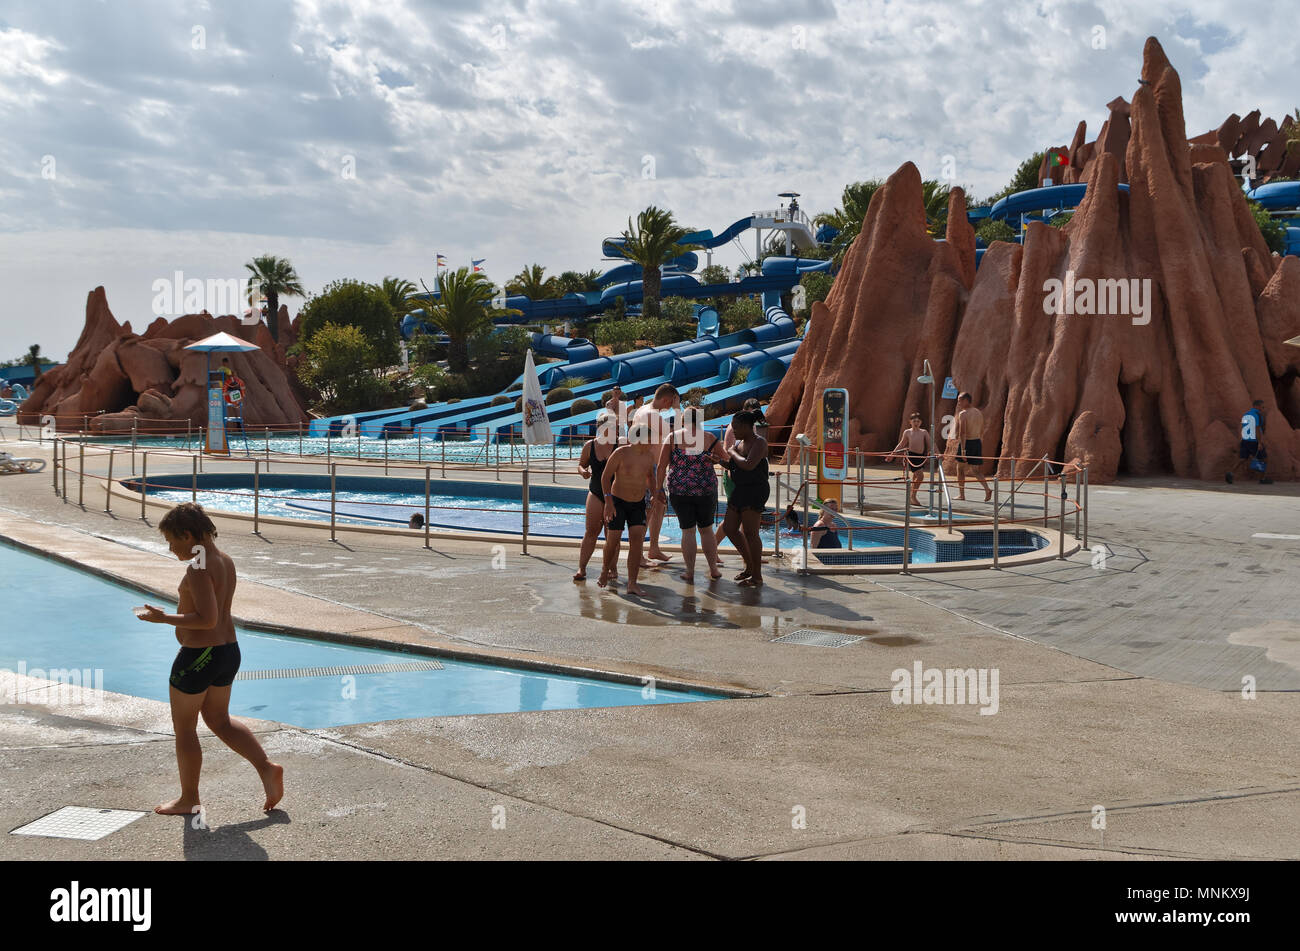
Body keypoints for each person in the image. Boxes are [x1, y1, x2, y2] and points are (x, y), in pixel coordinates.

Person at [135, 503, 284, 815]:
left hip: (199, 656)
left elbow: (206, 619)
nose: (170, 547)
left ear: (187, 535)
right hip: (228, 652)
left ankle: (189, 798)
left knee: (185, 728)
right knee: (218, 720)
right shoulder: (223, 560)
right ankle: (266, 768)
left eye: (171, 540)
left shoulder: (199, 566)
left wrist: (164, 619)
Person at [656, 405, 726, 584]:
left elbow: (661, 466)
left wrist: (658, 489)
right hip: (706, 490)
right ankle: (713, 569)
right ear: (699, 420)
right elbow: (726, 460)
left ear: (682, 420)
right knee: (707, 530)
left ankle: (689, 571)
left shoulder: (673, 438)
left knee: (687, 531)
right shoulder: (710, 438)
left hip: (680, 491)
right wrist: (715, 460)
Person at [598, 422, 658, 596]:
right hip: (617, 502)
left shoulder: (649, 456)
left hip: (637, 502)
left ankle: (632, 583)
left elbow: (650, 477)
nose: (653, 441)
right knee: (613, 540)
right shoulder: (620, 453)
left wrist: (654, 494)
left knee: (637, 541)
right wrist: (608, 502)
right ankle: (604, 570)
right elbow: (605, 477)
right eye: (650, 438)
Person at [631, 383, 680, 563]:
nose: (671, 406)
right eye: (672, 402)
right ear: (667, 400)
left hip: (654, 467)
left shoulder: (643, 410)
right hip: (649, 469)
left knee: (659, 507)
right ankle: (638, 554)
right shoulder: (652, 415)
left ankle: (653, 548)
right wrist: (678, 409)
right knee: (648, 510)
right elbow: (678, 436)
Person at [721, 410, 769, 587]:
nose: (733, 430)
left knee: (751, 533)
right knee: (729, 528)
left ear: (748, 427)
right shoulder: (740, 442)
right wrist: (720, 462)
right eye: (732, 427)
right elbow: (736, 466)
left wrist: (732, 452)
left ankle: (757, 575)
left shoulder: (759, 442)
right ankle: (749, 565)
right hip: (740, 489)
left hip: (755, 490)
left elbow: (749, 465)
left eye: (736, 427)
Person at [714, 399, 765, 555]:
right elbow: (731, 454)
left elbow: (748, 462)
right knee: (731, 525)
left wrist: (732, 454)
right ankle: (714, 547)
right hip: (737, 482)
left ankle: (750, 560)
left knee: (749, 530)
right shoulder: (737, 434)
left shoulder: (757, 438)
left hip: (751, 487)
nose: (733, 429)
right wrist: (725, 464)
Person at [574, 410, 620, 582]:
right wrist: (583, 472)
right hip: (595, 491)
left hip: (616, 494)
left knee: (612, 533)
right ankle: (582, 567)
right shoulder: (590, 446)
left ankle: (612, 569)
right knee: (591, 531)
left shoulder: (620, 445)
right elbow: (580, 465)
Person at [886, 412, 932, 507]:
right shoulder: (907, 432)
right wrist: (892, 454)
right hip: (912, 456)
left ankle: (911, 495)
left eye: (918, 421)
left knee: (916, 476)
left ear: (921, 422)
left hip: (921, 456)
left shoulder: (924, 432)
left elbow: (930, 443)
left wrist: (935, 452)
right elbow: (901, 444)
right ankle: (913, 496)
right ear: (910, 422)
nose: (916, 423)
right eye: (914, 421)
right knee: (920, 476)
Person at [954, 392, 992, 502]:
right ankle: (987, 489)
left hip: (967, 443)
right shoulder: (978, 413)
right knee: (976, 470)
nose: (959, 403)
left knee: (960, 469)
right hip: (977, 442)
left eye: (960, 400)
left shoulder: (963, 414)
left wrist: (963, 450)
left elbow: (963, 433)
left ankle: (961, 494)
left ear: (966, 400)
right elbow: (981, 431)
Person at [1226, 399, 1273, 485]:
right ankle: (1262, 479)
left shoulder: (1245, 415)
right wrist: (1259, 442)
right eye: (1262, 407)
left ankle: (1231, 472)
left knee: (1242, 458)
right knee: (1264, 459)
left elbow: (1243, 427)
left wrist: (1242, 438)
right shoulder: (1258, 415)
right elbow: (1257, 429)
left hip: (1245, 440)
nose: (1263, 409)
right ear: (1257, 406)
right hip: (1254, 441)